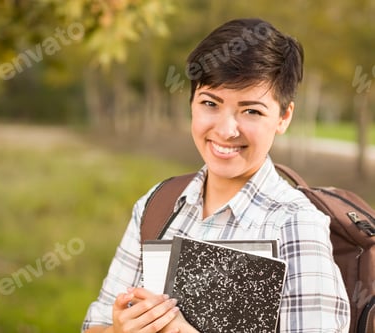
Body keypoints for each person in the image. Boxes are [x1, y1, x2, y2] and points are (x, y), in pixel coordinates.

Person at [82, 18, 350, 332]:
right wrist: (118, 329)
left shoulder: (295, 224)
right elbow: (94, 325)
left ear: (284, 116)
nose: (225, 130)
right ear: (192, 103)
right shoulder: (157, 205)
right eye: (211, 103)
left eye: (251, 110)